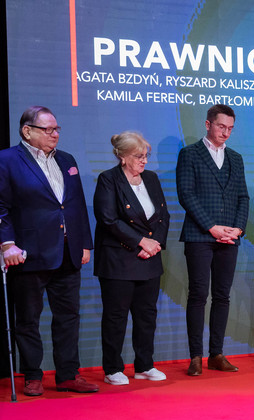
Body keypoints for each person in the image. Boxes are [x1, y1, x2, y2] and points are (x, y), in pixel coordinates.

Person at [0, 106, 98, 396]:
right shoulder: (7, 159)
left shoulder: (67, 159)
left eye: (57, 129)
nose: (55, 134)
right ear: (27, 131)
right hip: (28, 253)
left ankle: (68, 374)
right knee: (28, 319)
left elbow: (75, 204)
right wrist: (6, 244)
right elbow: (1, 206)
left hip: (67, 251)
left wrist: (84, 242)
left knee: (68, 317)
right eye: (48, 129)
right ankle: (32, 375)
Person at [176, 104, 250, 376]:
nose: (226, 132)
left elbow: (243, 197)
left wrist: (238, 229)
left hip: (229, 238)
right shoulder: (190, 154)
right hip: (199, 235)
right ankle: (195, 356)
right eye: (221, 126)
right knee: (198, 295)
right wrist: (211, 227)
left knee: (222, 296)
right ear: (208, 125)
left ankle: (216, 354)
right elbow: (186, 194)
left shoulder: (236, 158)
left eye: (230, 128)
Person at [93, 131, 170, 385]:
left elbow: (163, 216)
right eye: (139, 156)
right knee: (116, 316)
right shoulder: (108, 179)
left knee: (147, 315)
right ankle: (113, 368)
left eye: (146, 155)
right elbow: (108, 219)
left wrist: (154, 245)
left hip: (149, 257)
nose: (144, 160)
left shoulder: (151, 178)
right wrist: (140, 242)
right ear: (123, 157)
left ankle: (144, 365)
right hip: (119, 259)